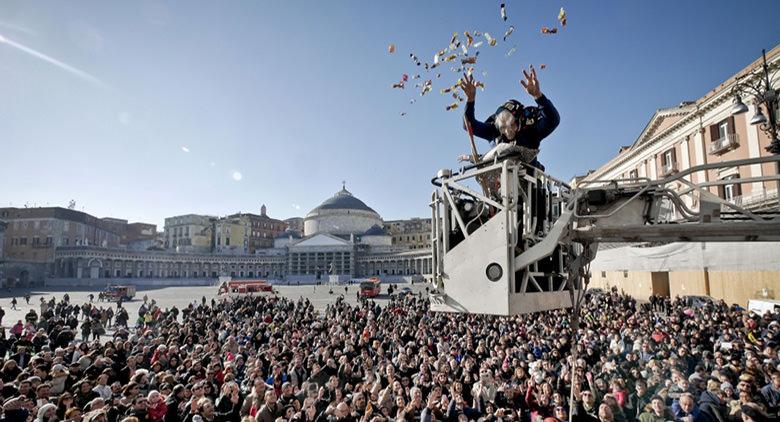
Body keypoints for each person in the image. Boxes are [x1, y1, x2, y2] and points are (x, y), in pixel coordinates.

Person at [459, 65, 560, 170]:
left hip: (528, 181)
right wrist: (470, 100)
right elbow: (468, 125)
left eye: (512, 125)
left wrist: (538, 96)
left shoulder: (530, 132)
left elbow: (553, 120)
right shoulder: (494, 131)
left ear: (520, 120)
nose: (508, 132)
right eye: (503, 128)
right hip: (501, 181)